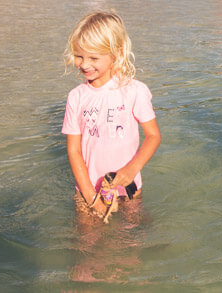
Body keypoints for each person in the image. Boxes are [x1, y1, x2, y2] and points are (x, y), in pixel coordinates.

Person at [62, 12, 162, 221]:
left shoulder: (135, 91)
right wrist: (91, 198)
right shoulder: (76, 97)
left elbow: (153, 136)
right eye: (79, 56)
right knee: (88, 244)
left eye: (94, 58)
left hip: (129, 188)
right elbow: (73, 150)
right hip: (87, 190)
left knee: (132, 238)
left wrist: (131, 170)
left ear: (116, 54)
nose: (84, 64)